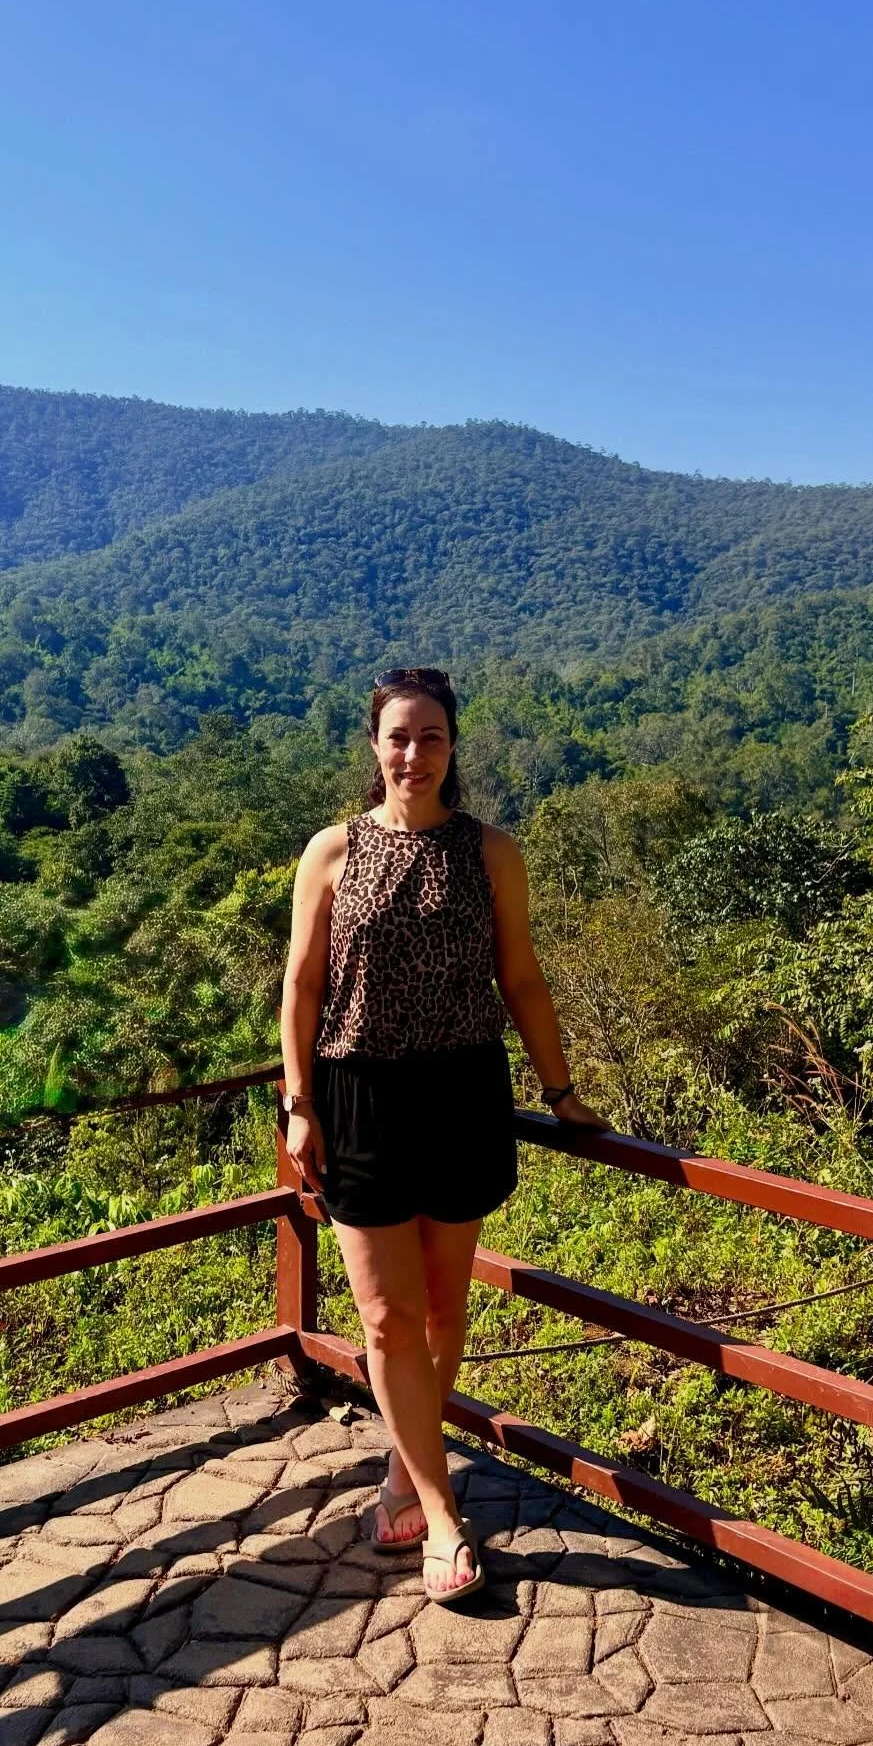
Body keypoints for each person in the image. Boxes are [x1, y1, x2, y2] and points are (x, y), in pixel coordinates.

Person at [279, 665, 607, 1604]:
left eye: (431, 736)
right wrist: (300, 1099)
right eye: (398, 736)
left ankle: (402, 1471)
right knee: (384, 1316)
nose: (413, 753)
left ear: (452, 747)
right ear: (373, 746)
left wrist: (563, 1089)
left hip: (463, 1092)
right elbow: (301, 983)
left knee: (442, 1313)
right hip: (360, 1097)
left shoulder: (491, 852)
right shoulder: (333, 851)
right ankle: (444, 1513)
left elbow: (524, 978)